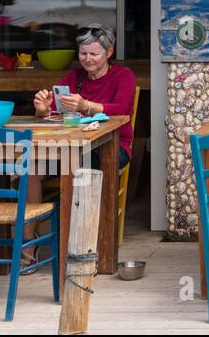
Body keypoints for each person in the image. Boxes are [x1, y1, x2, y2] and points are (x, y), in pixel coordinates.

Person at [25, 23, 136, 271]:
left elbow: (121, 109)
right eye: (83, 53)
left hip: (110, 147)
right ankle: (27, 244)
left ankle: (83, 248)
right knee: (30, 170)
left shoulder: (123, 76)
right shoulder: (75, 77)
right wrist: (42, 108)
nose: (87, 59)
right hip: (70, 147)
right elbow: (53, 106)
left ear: (108, 53)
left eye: (94, 53)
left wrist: (86, 104)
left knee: (81, 173)